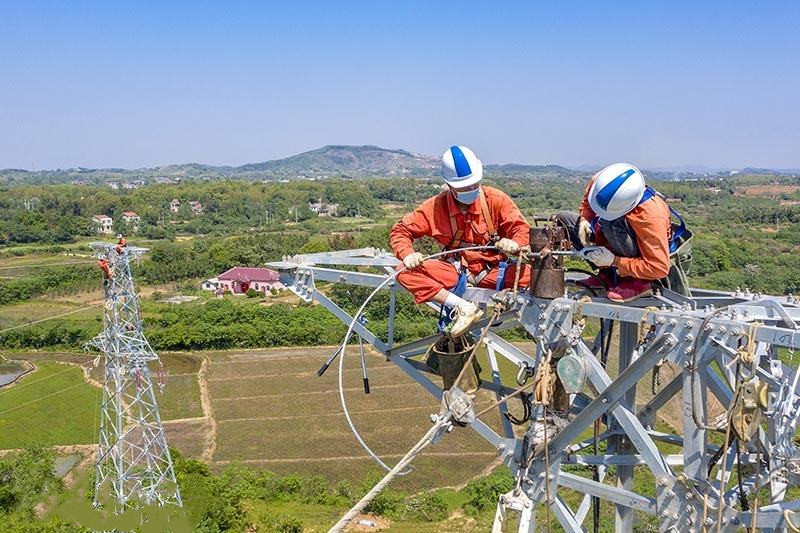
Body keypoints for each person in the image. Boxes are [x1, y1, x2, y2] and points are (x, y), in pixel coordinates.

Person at [390, 145, 532, 337]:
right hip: (455, 271)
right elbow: (401, 230)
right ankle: (463, 307)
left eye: (474, 184)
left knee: (539, 276)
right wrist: (408, 254)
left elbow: (521, 229)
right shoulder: (436, 208)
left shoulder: (494, 200)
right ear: (450, 186)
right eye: (465, 188)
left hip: (494, 271)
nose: (471, 190)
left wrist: (515, 244)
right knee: (404, 271)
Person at [557, 162, 691, 302]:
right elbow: (590, 200)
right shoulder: (602, 181)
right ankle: (607, 275)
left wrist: (614, 261)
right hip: (616, 243)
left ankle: (637, 281)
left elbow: (658, 267)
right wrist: (585, 220)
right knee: (565, 220)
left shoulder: (651, 217)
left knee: (610, 223)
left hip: (646, 261)